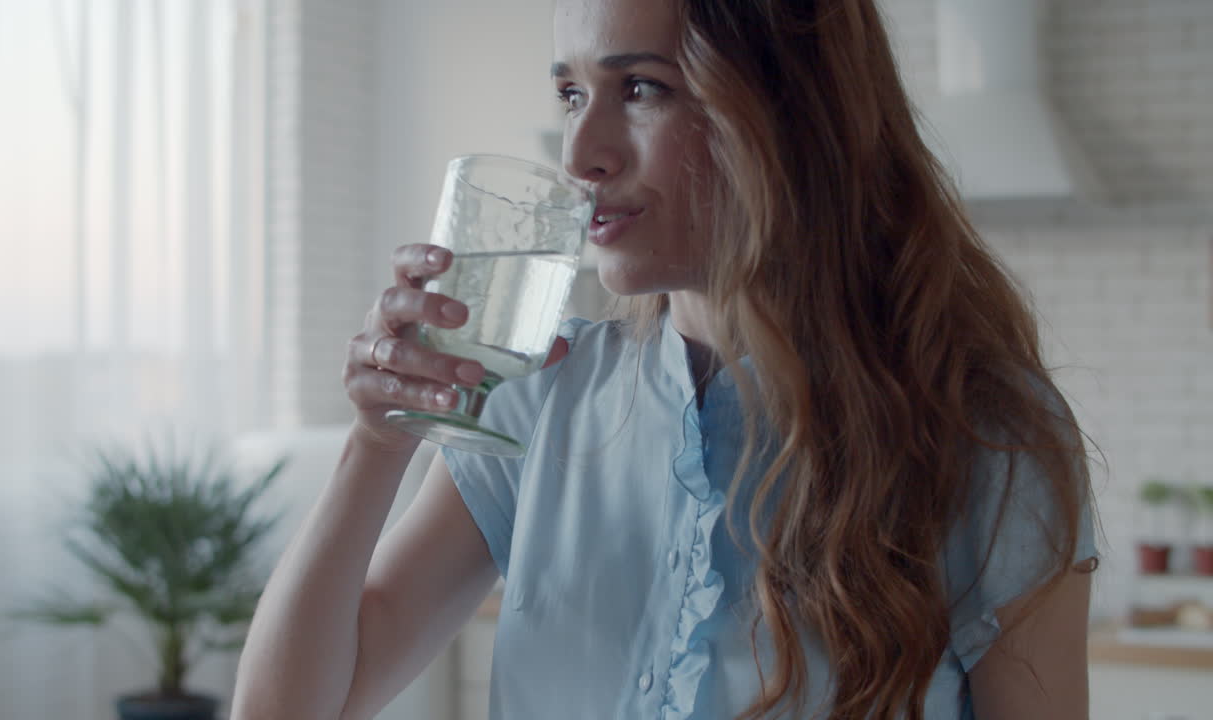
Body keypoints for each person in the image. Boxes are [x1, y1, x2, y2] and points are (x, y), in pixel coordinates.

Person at [232, 0, 1099, 718]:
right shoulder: (540, 394)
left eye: (642, 88)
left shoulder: (988, 434)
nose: (580, 155)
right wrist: (377, 442)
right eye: (572, 94)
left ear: (791, 111)